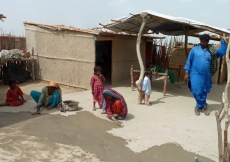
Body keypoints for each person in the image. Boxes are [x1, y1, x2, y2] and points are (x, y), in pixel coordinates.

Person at [184, 34, 227, 116]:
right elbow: (189, 61)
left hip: (206, 75)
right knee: (195, 90)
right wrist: (186, 72)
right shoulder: (194, 50)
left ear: (208, 42)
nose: (202, 43)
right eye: (201, 41)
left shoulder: (212, 51)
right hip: (195, 73)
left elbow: (222, 51)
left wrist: (222, 41)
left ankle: (198, 107)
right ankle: (204, 105)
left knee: (204, 91)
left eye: (204, 41)